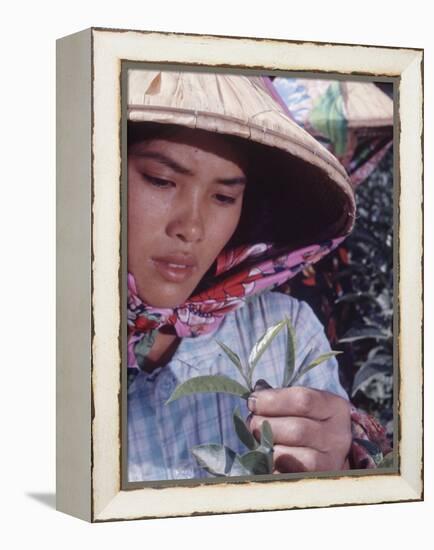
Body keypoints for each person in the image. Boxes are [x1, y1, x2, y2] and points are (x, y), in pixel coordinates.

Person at [126, 70, 391, 481]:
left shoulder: (283, 329)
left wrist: (337, 462)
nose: (192, 227)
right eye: (161, 180)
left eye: (224, 196)